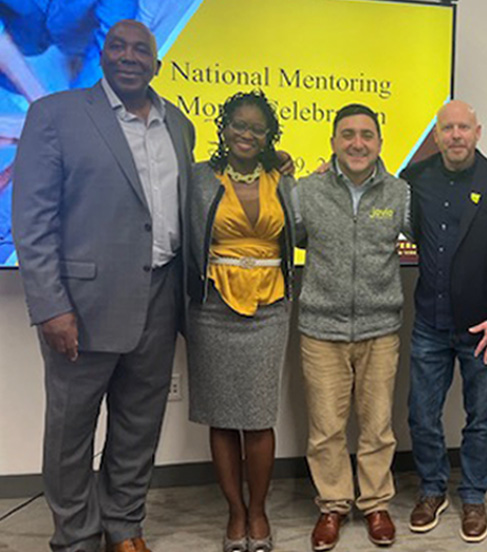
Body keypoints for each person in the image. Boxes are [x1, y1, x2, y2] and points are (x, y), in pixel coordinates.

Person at [11, 20, 194, 552]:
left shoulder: (179, 125)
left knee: (139, 426)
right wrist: (50, 306)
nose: (129, 56)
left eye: (142, 49)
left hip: (160, 298)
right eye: (119, 46)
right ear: (104, 55)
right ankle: (76, 535)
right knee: (71, 433)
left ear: (157, 64)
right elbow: (33, 220)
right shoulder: (57, 115)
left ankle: (124, 526)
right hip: (82, 306)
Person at [401, 100, 487, 543]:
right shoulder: (415, 180)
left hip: (483, 329)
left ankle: (473, 496)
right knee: (422, 414)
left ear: (478, 132)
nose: (455, 135)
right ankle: (432, 490)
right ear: (436, 136)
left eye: (463, 127)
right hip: (429, 324)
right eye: (447, 128)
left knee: (482, 417)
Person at [184, 90, 298, 552]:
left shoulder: (283, 179)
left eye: (256, 127)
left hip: (270, 307)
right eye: (238, 124)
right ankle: (234, 512)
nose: (246, 133)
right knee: (222, 415)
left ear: (269, 135)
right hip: (212, 309)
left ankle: (258, 511)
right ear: (224, 128)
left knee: (257, 417)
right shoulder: (199, 179)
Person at [297, 103, 411, 551]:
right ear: (333, 142)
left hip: (381, 327)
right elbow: (291, 238)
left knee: (378, 425)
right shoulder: (306, 191)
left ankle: (376, 503)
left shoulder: (400, 194)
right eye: (348, 134)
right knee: (325, 427)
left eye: (366, 134)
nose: (357, 143)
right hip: (320, 328)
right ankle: (333, 506)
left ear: (380, 143)